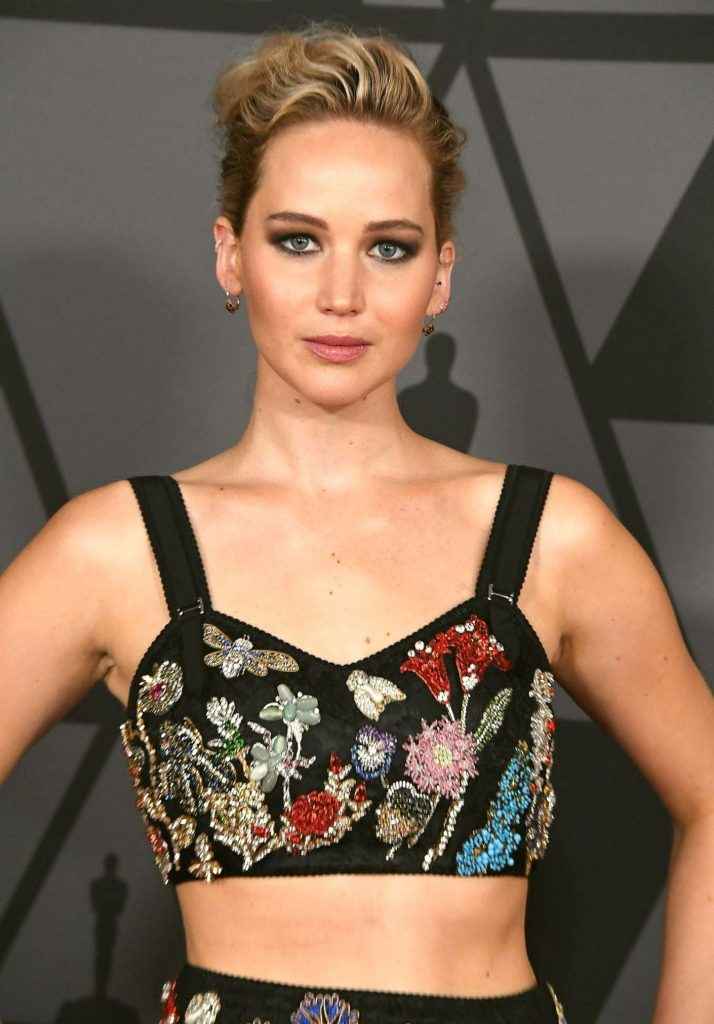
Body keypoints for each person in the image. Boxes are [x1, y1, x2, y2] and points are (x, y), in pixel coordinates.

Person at [2, 19, 713, 1024]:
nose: (341, 294)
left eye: (389, 247)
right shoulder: (115, 549)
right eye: (298, 240)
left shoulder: (553, 537)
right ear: (230, 256)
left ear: (440, 277)